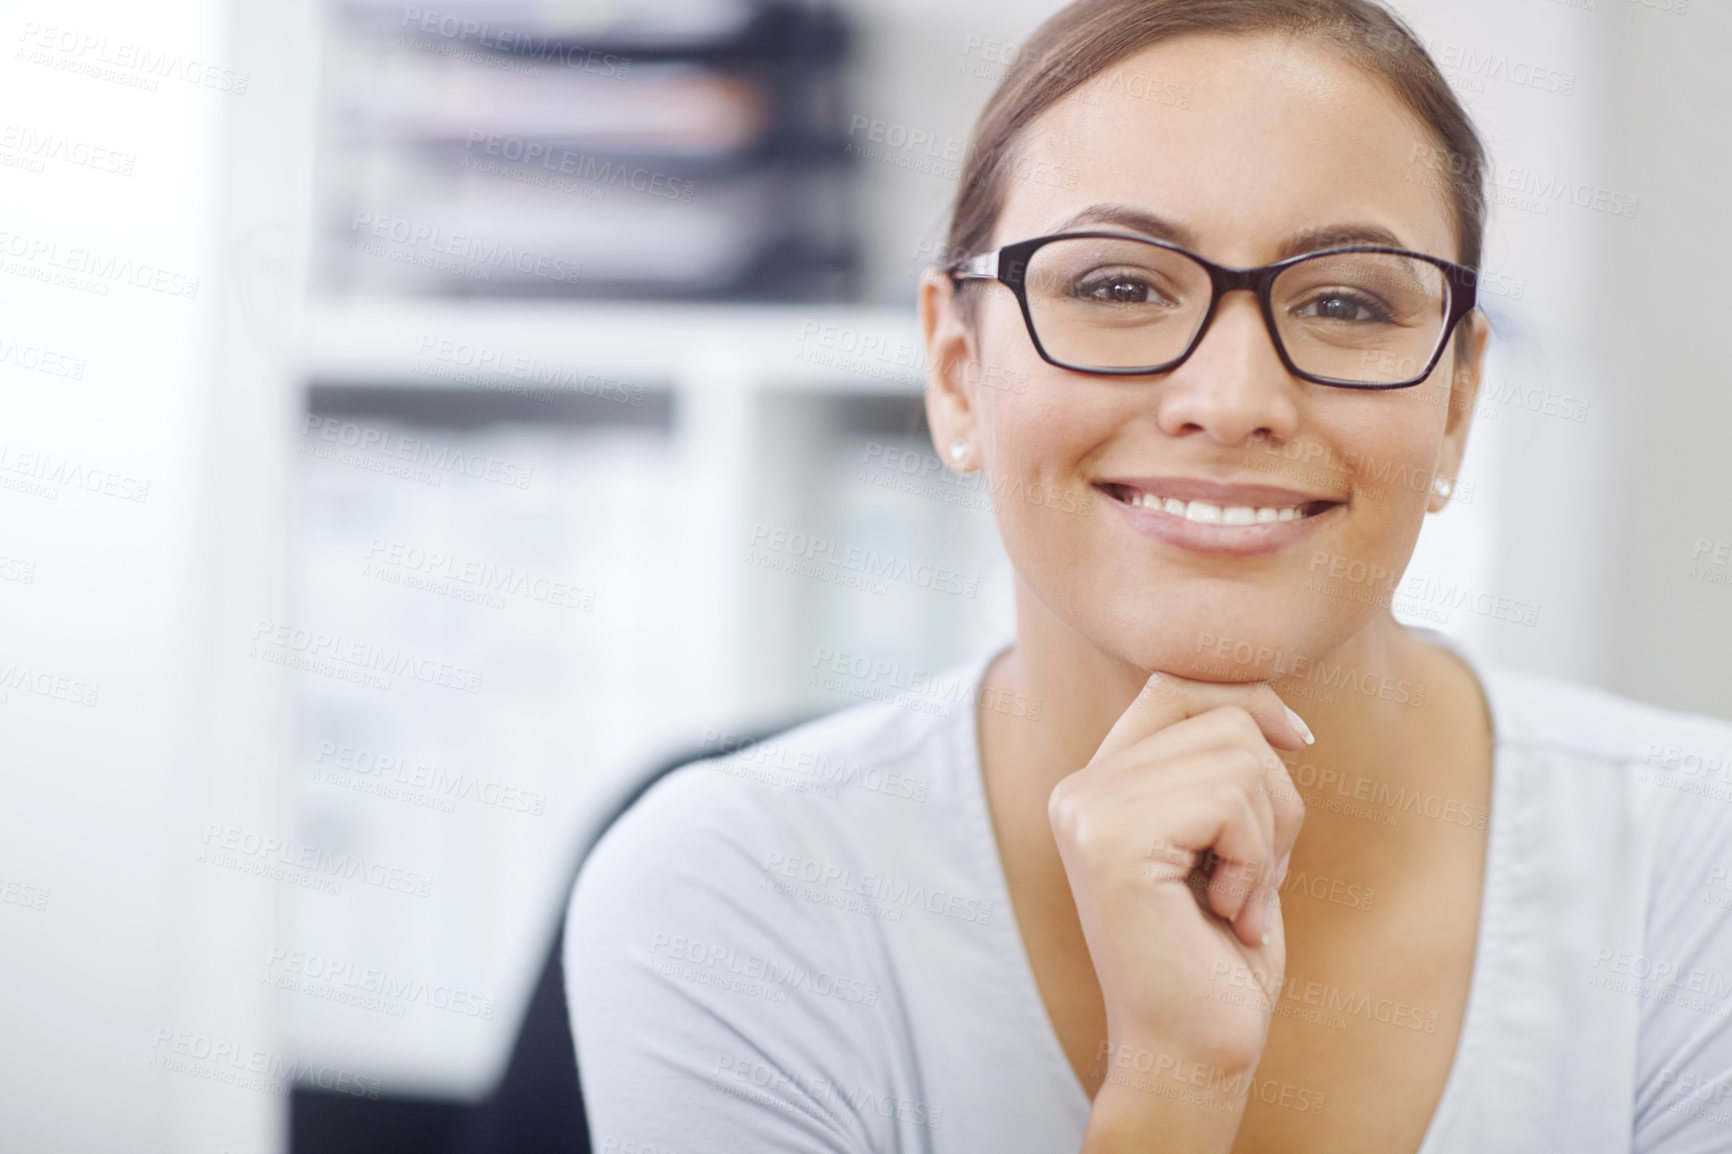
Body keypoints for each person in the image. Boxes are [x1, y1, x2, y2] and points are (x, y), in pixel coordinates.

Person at [565, 1, 1732, 1149]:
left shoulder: (1696, 869)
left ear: (1459, 403)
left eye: (1343, 301)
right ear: (957, 368)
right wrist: (1172, 1085)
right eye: (1118, 287)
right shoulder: (736, 894)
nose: (1229, 403)